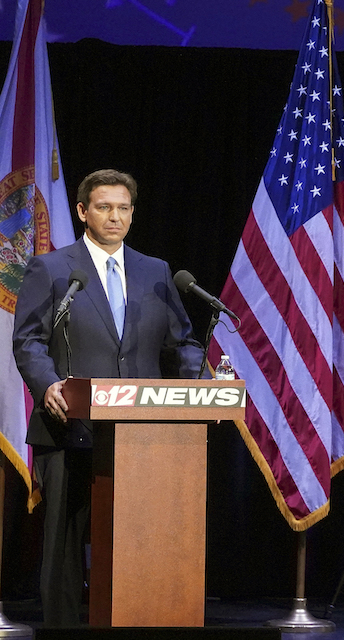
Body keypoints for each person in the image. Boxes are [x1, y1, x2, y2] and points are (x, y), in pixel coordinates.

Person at [12, 169, 203, 626]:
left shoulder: (156, 272)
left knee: (143, 539)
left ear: (133, 214)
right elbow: (29, 341)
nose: (114, 216)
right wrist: (48, 384)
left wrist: (197, 384)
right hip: (69, 426)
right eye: (103, 206)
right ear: (83, 211)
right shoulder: (53, 269)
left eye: (123, 208)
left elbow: (183, 343)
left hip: (146, 435)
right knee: (64, 544)